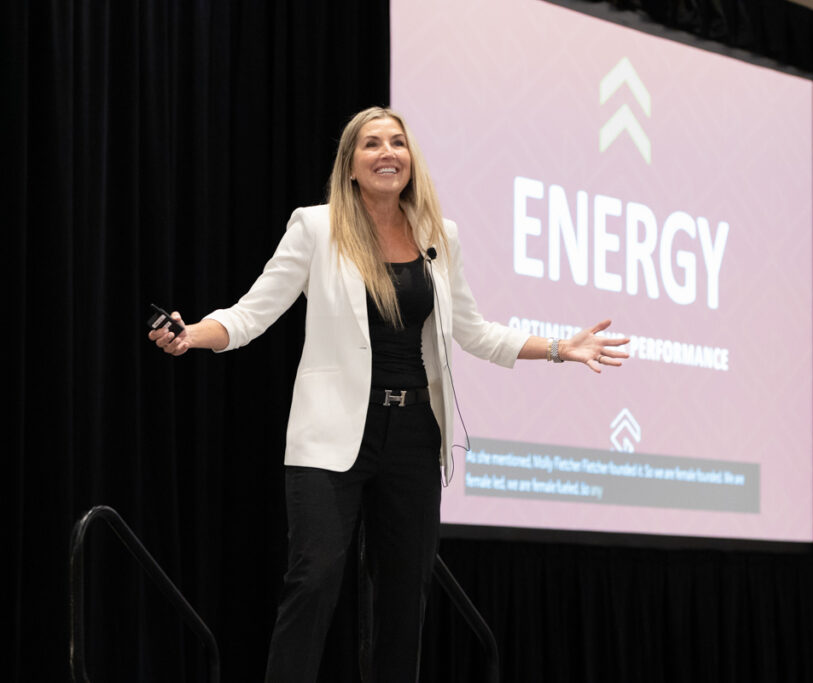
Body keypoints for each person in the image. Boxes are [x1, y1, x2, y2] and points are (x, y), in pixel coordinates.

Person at [147, 106, 629, 682]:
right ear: (350, 165)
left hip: (414, 435)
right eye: (371, 144)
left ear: (410, 159)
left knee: (405, 595)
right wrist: (191, 335)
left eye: (397, 142)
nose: (387, 153)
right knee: (315, 577)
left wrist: (557, 348)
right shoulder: (315, 228)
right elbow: (253, 313)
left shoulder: (438, 237)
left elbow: (472, 330)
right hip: (331, 436)